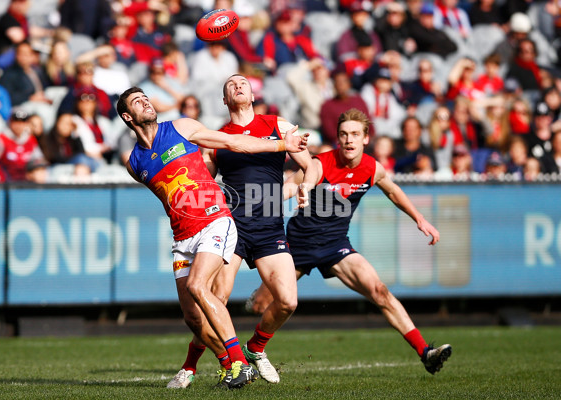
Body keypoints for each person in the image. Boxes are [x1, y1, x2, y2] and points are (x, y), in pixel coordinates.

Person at [116, 86, 308, 389]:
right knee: (193, 318)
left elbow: (233, 142)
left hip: (215, 222)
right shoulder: (134, 164)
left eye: (146, 98)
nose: (146, 103)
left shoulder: (181, 127)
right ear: (128, 116)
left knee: (198, 286)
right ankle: (228, 363)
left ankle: (241, 362)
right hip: (182, 237)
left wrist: (282, 145)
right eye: (138, 102)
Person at [247, 108, 452, 376]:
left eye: (355, 134)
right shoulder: (320, 164)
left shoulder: (371, 168)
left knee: (380, 291)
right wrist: (284, 196)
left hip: (336, 246)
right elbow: (290, 185)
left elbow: (392, 190)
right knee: (259, 306)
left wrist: (420, 219)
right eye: (343, 134)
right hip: (297, 246)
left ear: (366, 138)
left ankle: (425, 352)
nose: (349, 140)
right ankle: (243, 345)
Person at [167, 74, 318, 388]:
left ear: (253, 94)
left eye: (243, 83)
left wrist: (306, 186)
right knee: (214, 300)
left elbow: (312, 164)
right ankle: (190, 366)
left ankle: (256, 347)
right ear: (224, 100)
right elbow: (203, 179)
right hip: (232, 227)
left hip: (269, 227)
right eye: (230, 85)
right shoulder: (217, 137)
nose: (237, 86)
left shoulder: (277, 124)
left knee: (288, 301)